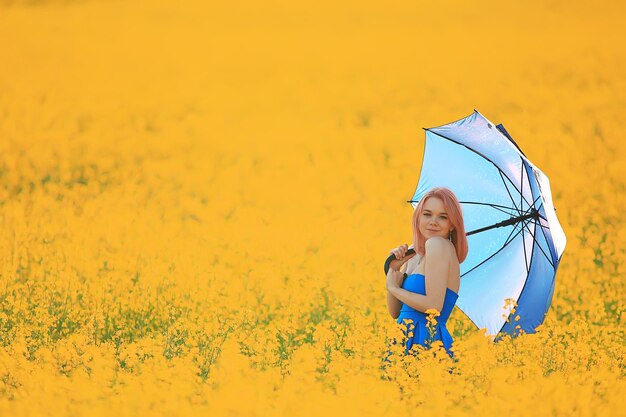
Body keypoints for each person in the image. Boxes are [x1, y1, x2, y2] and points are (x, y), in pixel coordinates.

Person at [385, 187, 468, 359]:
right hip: (403, 340)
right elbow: (396, 312)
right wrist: (393, 268)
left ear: (452, 224)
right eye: (427, 214)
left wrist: (394, 289)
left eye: (443, 217)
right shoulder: (414, 255)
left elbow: (434, 306)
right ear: (418, 217)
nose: (433, 221)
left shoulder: (438, 245)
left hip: (426, 341)